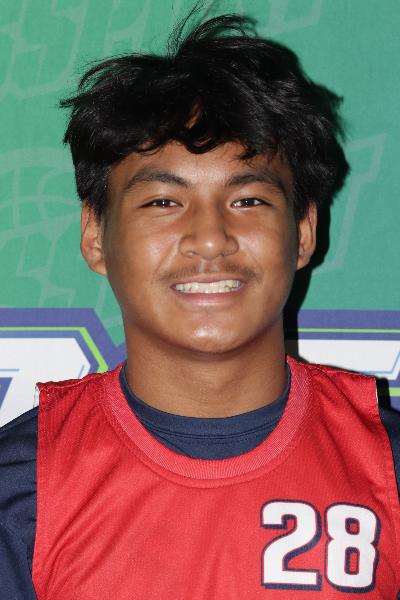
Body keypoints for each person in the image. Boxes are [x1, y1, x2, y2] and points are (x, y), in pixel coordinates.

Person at [1, 12, 400, 600]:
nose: (210, 239)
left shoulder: (388, 472)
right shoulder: (21, 491)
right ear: (95, 235)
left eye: (248, 200)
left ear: (304, 232)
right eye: (163, 201)